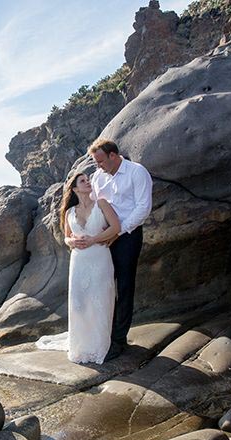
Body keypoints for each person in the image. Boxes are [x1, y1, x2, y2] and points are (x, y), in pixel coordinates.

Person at [88, 139, 153, 360]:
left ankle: (118, 340)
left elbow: (143, 207)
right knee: (102, 285)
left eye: (100, 161)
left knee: (124, 287)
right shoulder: (98, 177)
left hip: (128, 236)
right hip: (104, 236)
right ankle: (102, 335)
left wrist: (119, 230)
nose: (98, 166)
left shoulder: (137, 172)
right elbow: (95, 206)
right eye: (95, 162)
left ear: (113, 155)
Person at [60, 172, 121, 364]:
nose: (88, 183)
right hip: (79, 261)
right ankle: (81, 346)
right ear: (75, 189)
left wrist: (94, 239)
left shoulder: (102, 203)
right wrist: (72, 241)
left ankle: (99, 346)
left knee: (100, 300)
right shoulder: (69, 212)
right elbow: (66, 237)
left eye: (88, 180)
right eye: (83, 181)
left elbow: (116, 227)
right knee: (79, 303)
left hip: (100, 257)